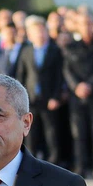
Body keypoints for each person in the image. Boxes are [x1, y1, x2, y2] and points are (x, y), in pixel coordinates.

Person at [62, 11, 93, 178]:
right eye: (83, 23)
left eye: (89, 23)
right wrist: (77, 86)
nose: (86, 27)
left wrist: (90, 85)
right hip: (77, 97)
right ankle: (80, 168)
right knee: (79, 133)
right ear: (77, 26)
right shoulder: (71, 46)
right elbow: (67, 70)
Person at [16, 17, 64, 165]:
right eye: (36, 32)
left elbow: (59, 76)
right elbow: (21, 75)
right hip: (30, 99)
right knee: (30, 133)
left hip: (49, 99)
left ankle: (53, 162)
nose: (40, 35)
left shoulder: (55, 51)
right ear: (30, 35)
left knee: (51, 133)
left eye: (42, 31)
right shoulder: (26, 51)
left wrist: (56, 97)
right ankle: (30, 162)